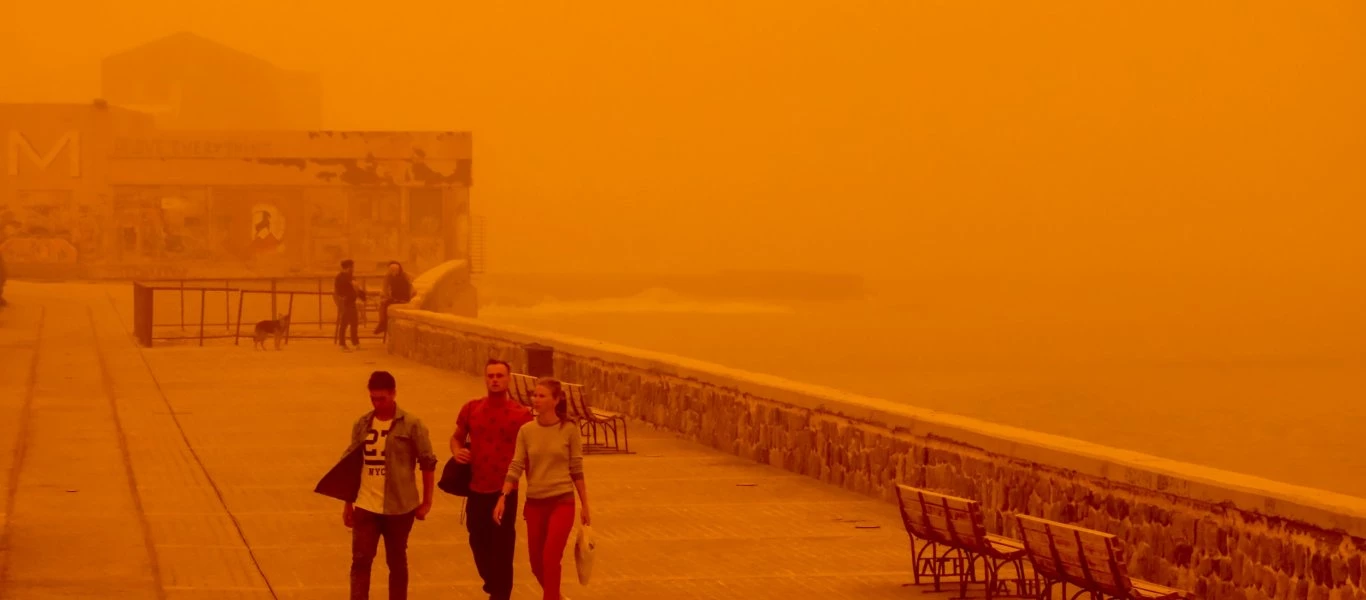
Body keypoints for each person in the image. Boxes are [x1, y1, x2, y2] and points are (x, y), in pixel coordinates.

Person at [314, 371, 437, 600]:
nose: (377, 403)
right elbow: (352, 464)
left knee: (396, 562)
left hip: (399, 507)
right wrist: (347, 503)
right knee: (360, 561)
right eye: (373, 398)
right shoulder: (362, 424)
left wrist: (427, 502)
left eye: (382, 398)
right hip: (366, 504)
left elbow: (428, 462)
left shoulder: (412, 425)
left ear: (394, 394)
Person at [495, 378, 591, 600]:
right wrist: (503, 496)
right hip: (535, 504)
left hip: (562, 501)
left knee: (550, 558)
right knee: (536, 564)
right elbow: (516, 465)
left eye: (542, 396)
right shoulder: (526, 431)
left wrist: (585, 504)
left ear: (556, 400)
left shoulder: (569, 430)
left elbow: (577, 469)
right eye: (535, 395)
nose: (536, 400)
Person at [451, 359, 533, 600]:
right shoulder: (471, 409)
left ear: (508, 379)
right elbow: (456, 437)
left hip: (505, 491)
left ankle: (500, 593)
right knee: (477, 540)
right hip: (476, 489)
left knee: (503, 547)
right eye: (491, 376)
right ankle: (493, 584)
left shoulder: (522, 415)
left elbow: (530, 456)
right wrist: (457, 451)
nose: (495, 380)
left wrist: (532, 493)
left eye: (499, 376)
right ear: (485, 379)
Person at [374, 261, 413, 335]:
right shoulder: (405, 275)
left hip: (399, 299)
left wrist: (386, 296)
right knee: (385, 303)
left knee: (383, 304)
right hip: (405, 299)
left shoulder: (390, 277)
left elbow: (385, 289)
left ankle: (382, 323)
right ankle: (382, 324)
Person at [334, 259, 360, 350]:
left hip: (351, 301)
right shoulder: (342, 277)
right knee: (345, 323)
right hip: (346, 302)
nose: (353, 269)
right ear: (349, 267)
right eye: (352, 267)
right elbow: (340, 291)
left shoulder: (348, 276)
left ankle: (355, 343)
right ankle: (342, 344)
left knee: (354, 322)